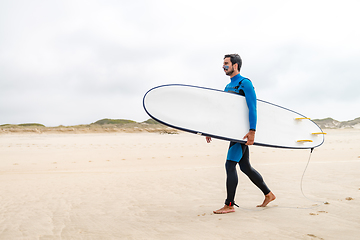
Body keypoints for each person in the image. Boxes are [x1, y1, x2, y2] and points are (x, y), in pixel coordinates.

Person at [206, 54, 276, 214]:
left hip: (241, 134)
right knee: (245, 167)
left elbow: (253, 107)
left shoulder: (245, 83)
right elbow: (226, 113)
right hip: (233, 133)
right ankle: (269, 194)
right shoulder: (227, 87)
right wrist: (211, 129)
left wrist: (252, 131)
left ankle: (229, 204)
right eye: (223, 64)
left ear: (235, 65)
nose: (223, 66)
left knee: (230, 165)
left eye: (226, 63)